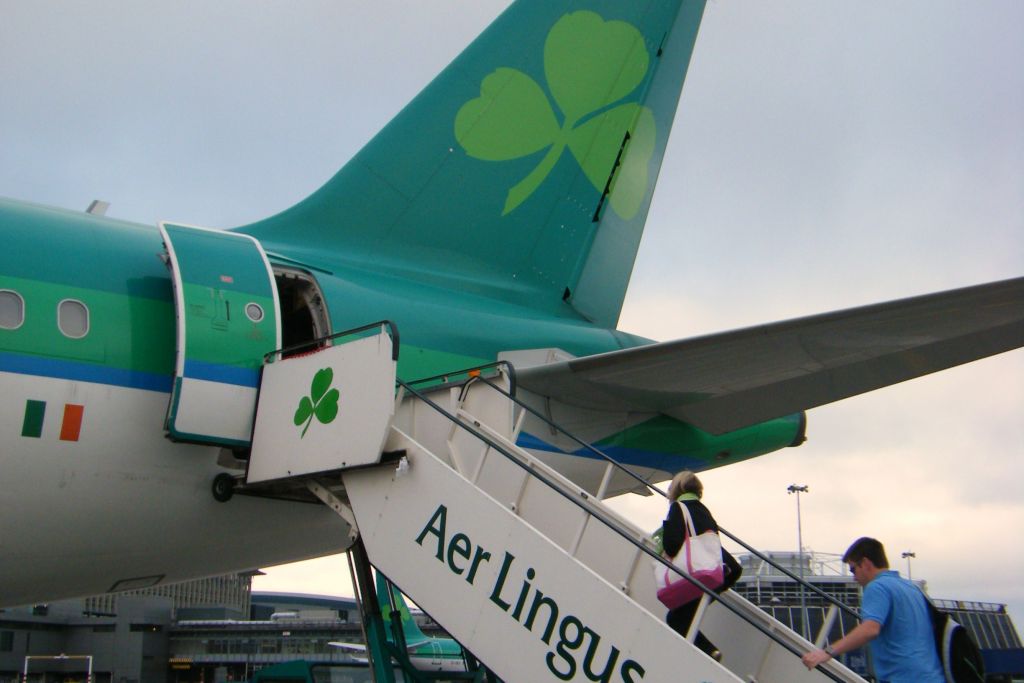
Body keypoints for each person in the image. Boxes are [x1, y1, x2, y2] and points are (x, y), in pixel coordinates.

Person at [802, 537, 944, 682]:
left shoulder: (877, 587)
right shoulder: (912, 589)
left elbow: (870, 629)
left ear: (865, 563)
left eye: (853, 569)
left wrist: (827, 652)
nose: (854, 578)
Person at [661, 470, 741, 661]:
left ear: (676, 489)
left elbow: (671, 546)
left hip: (695, 576)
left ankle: (708, 654)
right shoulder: (703, 511)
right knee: (684, 618)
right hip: (713, 575)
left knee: (676, 619)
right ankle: (709, 653)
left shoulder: (679, 508)